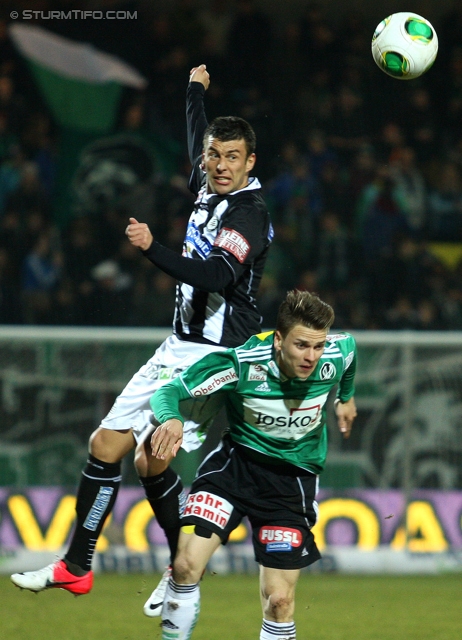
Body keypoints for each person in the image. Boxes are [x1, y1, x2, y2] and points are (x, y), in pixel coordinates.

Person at [11, 64, 273, 617]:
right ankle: (77, 567)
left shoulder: (249, 214)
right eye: (213, 155)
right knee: (107, 448)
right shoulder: (205, 179)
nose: (219, 165)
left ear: (251, 162)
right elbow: (194, 134)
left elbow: (218, 277)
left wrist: (153, 247)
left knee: (152, 462)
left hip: (217, 354)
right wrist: (194, 91)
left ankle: (183, 572)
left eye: (232, 157)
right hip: (178, 343)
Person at [149, 289, 357, 640]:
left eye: (317, 347)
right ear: (278, 339)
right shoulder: (241, 364)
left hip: (291, 484)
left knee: (279, 601)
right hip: (235, 469)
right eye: (301, 346)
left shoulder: (334, 355)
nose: (311, 357)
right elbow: (167, 392)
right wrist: (171, 419)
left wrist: (346, 399)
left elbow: (350, 355)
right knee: (185, 566)